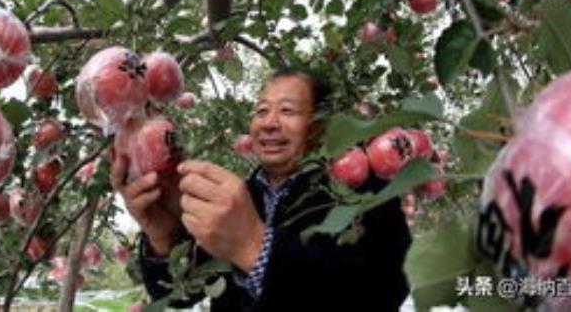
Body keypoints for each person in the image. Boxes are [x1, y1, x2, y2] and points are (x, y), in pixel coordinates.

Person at [111, 68, 411, 311]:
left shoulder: (364, 191)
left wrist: (257, 249)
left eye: (287, 110)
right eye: (261, 110)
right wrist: (163, 237)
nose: (269, 123)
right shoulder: (240, 197)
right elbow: (181, 296)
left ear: (320, 125)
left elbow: (385, 292)